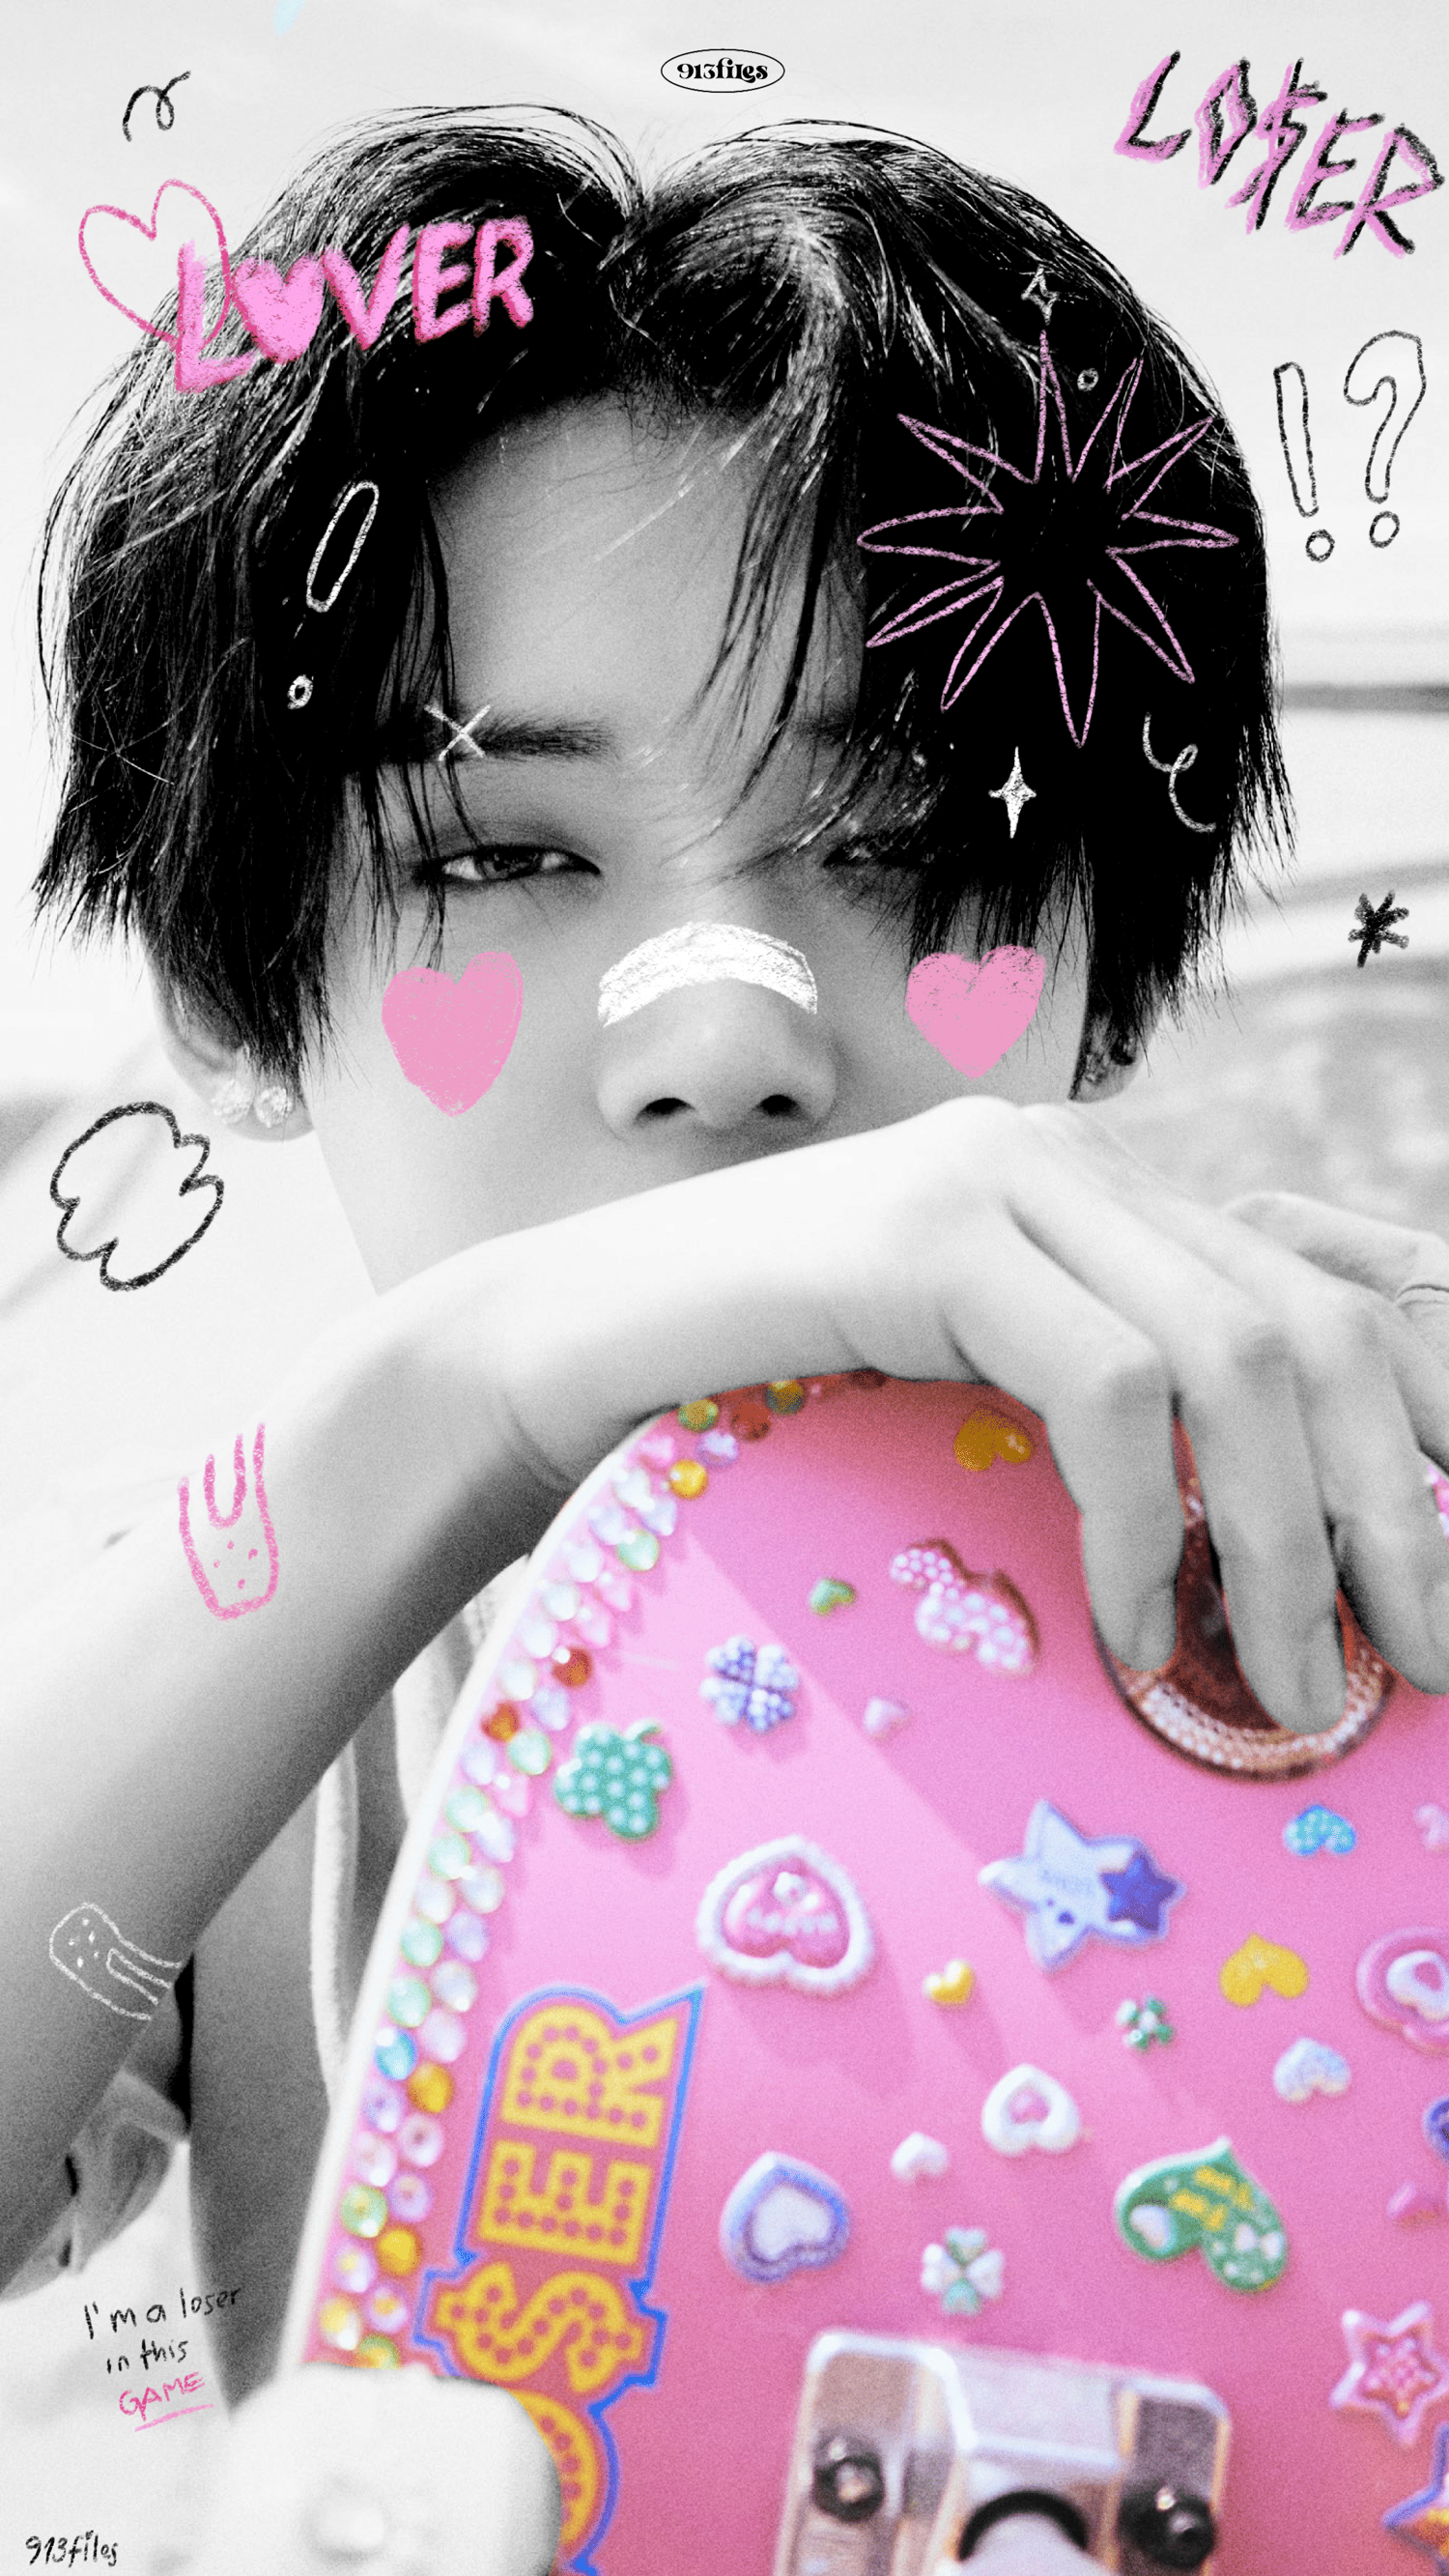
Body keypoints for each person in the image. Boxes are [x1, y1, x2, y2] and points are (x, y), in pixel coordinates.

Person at [7, 101, 1449, 2542]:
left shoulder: (1357, 1564)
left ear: (1117, 969)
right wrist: (443, 1408)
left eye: (905, 838)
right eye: (502, 848)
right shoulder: (247, 1711)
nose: (723, 1026)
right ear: (239, 999)